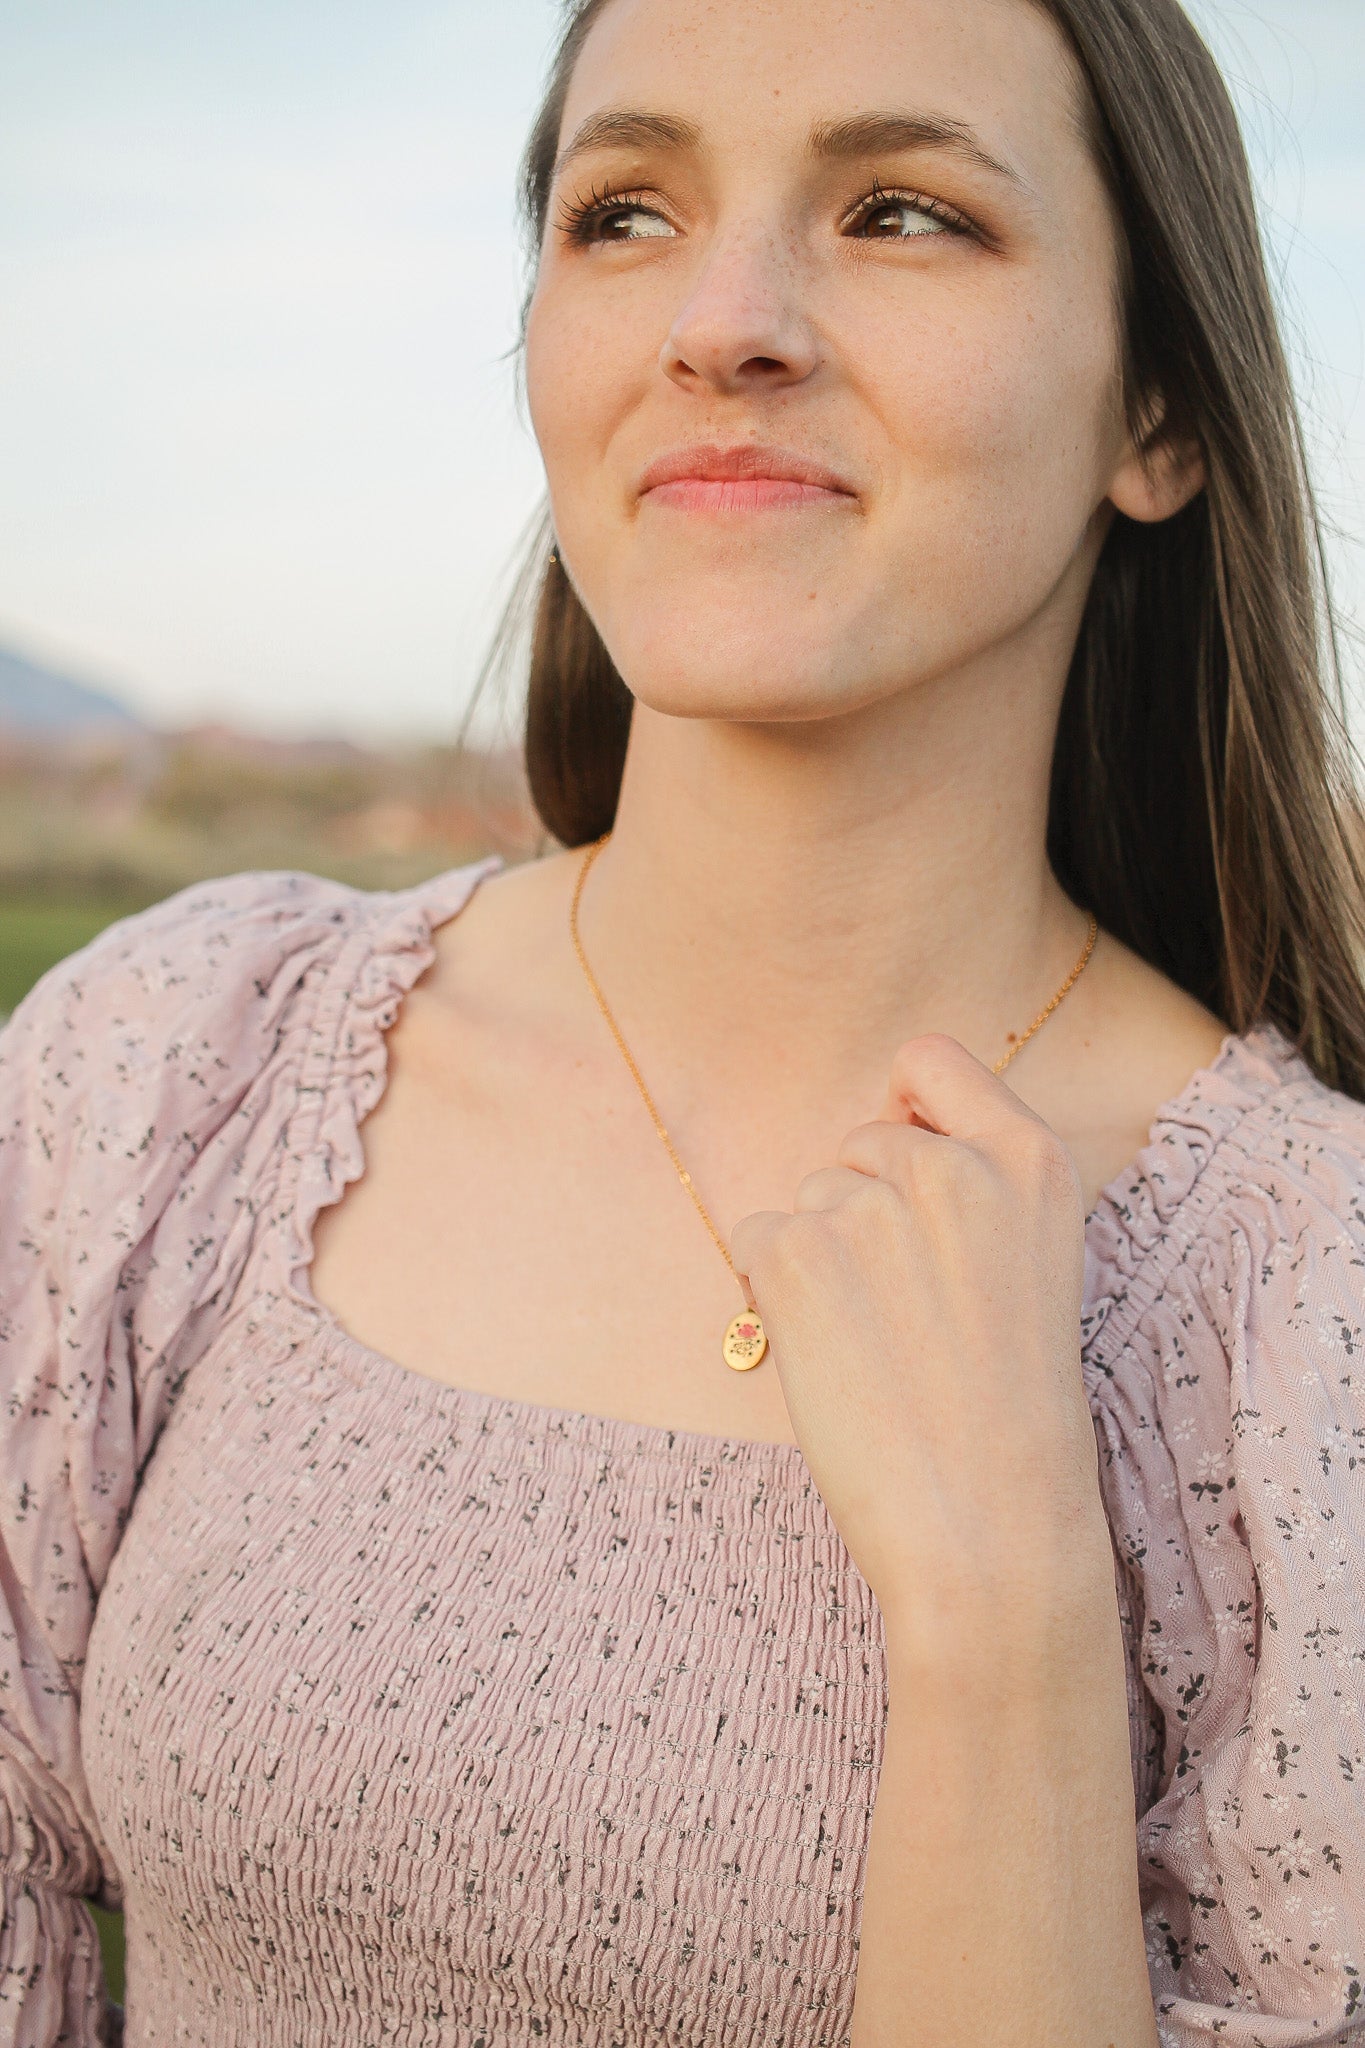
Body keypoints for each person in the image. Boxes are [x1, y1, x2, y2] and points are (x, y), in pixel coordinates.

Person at [2, 0, 1363, 2040]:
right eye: (621, 211)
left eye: (899, 210)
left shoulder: (1306, 1316)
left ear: (1153, 410)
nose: (718, 320)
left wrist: (1001, 1606)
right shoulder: (175, 1067)